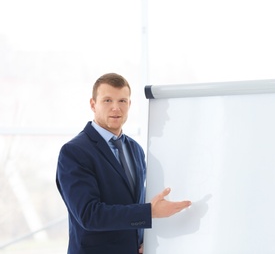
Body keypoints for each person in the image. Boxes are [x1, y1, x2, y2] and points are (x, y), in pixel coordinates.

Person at [56, 73, 191, 254]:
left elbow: (133, 201)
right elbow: (89, 215)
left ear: (129, 104)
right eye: (107, 100)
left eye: (122, 101)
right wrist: (149, 212)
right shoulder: (74, 152)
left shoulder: (135, 149)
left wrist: (142, 241)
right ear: (93, 104)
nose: (116, 108)